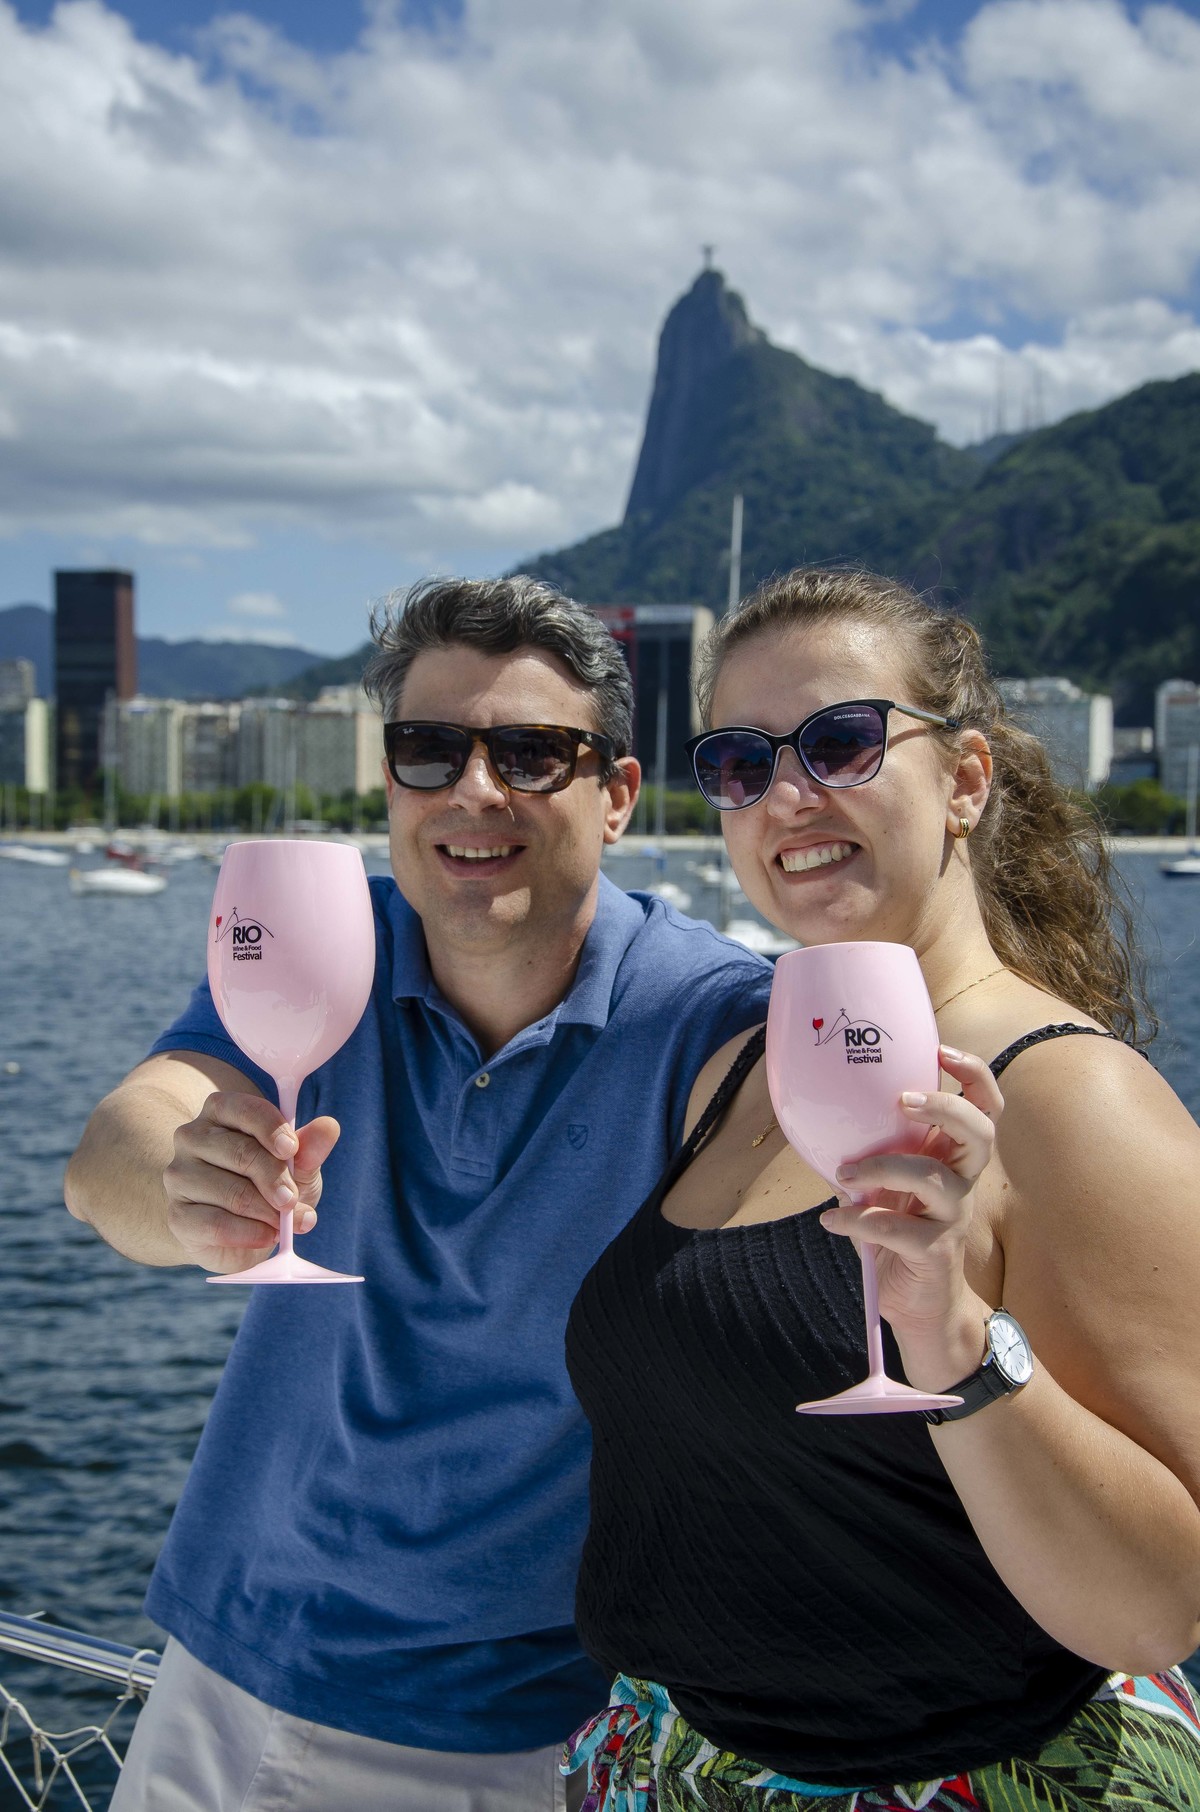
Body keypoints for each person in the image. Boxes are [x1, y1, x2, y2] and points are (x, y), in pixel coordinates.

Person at [64, 575, 774, 1812]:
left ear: (617, 795)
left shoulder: (712, 1020)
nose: (473, 789)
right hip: (222, 1668)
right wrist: (183, 1187)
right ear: (390, 782)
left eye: (531, 753)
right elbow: (113, 1151)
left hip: (509, 1733)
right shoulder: (321, 943)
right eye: (430, 750)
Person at [562, 566, 1200, 1812]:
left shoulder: (1073, 1099)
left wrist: (955, 1337)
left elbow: (1159, 1609)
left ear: (964, 780)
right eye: (740, 762)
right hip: (680, 1766)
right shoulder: (741, 1073)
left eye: (842, 742)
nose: (787, 793)